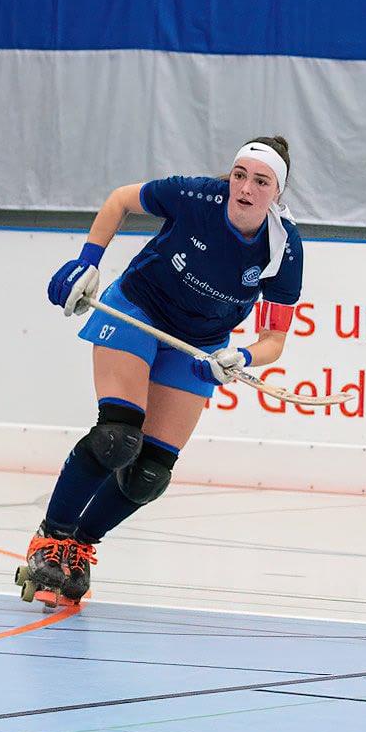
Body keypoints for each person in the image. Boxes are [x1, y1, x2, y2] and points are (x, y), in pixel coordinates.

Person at [25, 136, 306, 605]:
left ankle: (79, 548)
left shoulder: (285, 249)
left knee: (149, 474)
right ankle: (50, 540)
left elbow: (274, 341)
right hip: (137, 309)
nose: (245, 188)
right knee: (117, 438)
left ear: (277, 193)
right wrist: (87, 262)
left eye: (261, 182)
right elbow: (120, 200)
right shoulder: (194, 196)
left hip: (199, 342)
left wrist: (242, 356)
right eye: (239, 175)